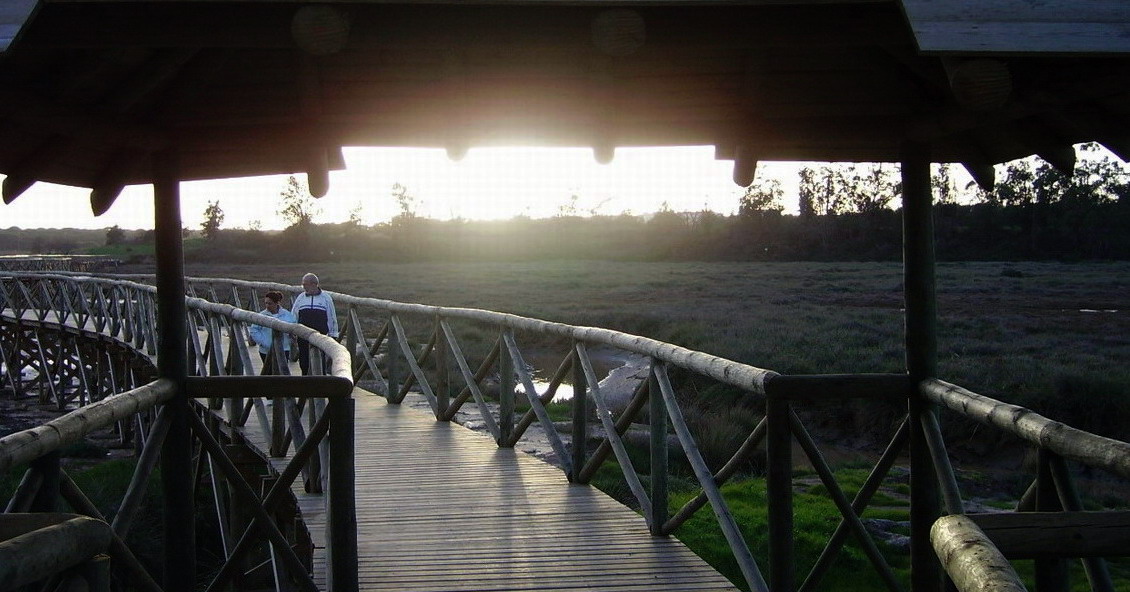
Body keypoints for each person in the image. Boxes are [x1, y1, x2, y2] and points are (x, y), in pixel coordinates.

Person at [292, 272, 339, 375]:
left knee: (320, 361)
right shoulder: (301, 298)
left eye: (305, 285)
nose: (303, 287)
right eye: (303, 285)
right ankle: (305, 382)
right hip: (303, 335)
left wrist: (333, 334)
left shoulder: (326, 298)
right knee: (304, 361)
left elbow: (331, 317)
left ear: (314, 284)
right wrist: (292, 330)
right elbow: (294, 315)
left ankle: (319, 383)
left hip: (320, 336)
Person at [248, 291, 297, 367]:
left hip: (284, 348)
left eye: (270, 303)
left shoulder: (287, 315)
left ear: (277, 303)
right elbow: (254, 330)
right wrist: (262, 342)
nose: (267, 305)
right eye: (266, 303)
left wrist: (291, 338)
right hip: (266, 350)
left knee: (282, 371)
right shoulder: (261, 315)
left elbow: (294, 327)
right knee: (268, 372)